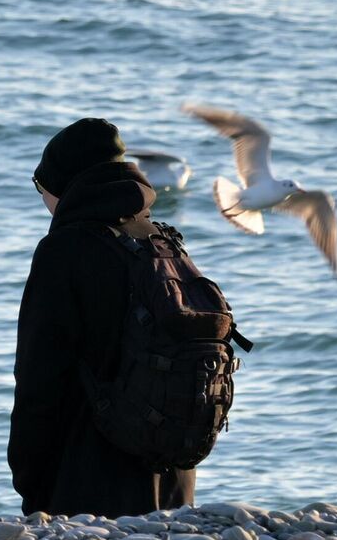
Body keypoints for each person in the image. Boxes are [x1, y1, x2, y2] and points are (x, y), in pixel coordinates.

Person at [11, 118, 199, 516]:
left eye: (40, 187)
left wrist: (28, 477)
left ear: (63, 185)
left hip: (88, 481)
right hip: (173, 476)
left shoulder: (63, 250)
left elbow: (38, 378)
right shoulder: (163, 240)